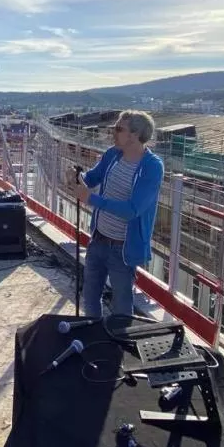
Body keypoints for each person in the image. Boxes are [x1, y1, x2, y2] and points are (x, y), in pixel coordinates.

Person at [69, 110, 163, 317]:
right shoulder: (113, 154)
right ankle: (93, 336)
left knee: (121, 305)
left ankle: (118, 346)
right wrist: (78, 177)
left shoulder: (152, 167)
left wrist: (90, 198)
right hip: (99, 240)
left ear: (135, 135)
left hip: (122, 250)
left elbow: (132, 210)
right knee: (90, 295)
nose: (113, 133)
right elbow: (92, 178)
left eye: (119, 129)